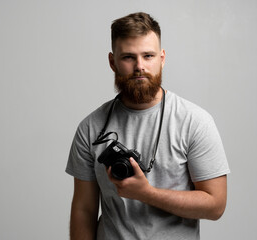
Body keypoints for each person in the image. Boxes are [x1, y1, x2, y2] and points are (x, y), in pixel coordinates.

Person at [66, 12, 230, 240]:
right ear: (112, 62)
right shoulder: (91, 128)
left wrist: (146, 194)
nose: (139, 66)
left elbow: (215, 205)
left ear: (162, 59)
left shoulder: (194, 121)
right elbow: (84, 209)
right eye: (128, 57)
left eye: (148, 56)